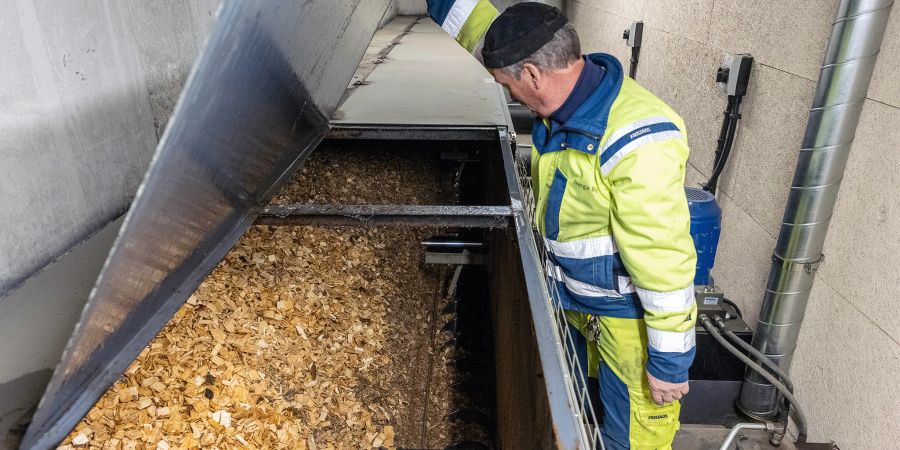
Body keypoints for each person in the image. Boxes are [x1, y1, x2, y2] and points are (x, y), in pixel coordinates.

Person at [424, 2, 698, 449]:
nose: (509, 95)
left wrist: (669, 361)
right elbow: (489, 34)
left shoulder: (638, 140)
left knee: (631, 439)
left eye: (507, 85)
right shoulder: (564, 91)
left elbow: (662, 259)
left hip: (629, 326)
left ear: (532, 75)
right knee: (578, 415)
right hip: (574, 302)